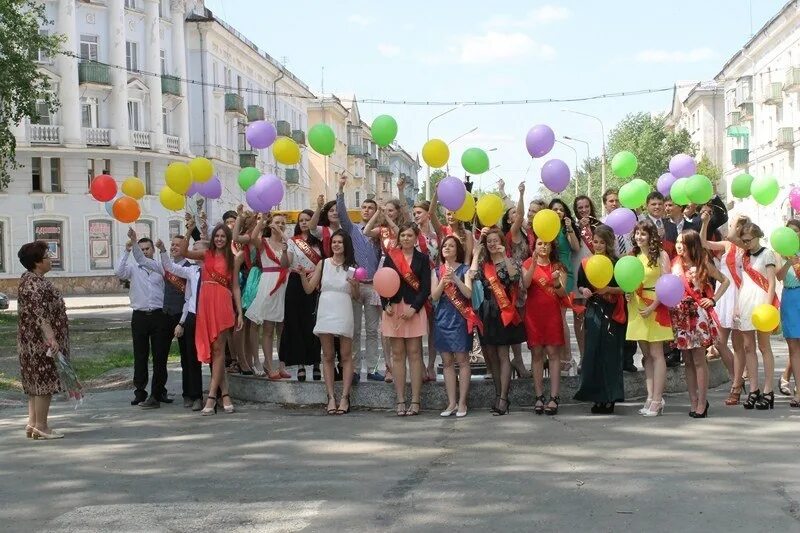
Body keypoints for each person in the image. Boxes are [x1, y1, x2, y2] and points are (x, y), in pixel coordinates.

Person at [182, 220, 244, 415]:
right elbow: (184, 253)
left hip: (223, 303)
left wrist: (240, 312)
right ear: (213, 238)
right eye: (216, 236)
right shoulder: (205, 254)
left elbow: (234, 286)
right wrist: (189, 230)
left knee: (218, 350)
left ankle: (210, 396)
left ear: (227, 239)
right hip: (206, 303)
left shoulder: (232, 259)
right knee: (213, 350)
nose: (219, 239)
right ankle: (225, 394)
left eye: (222, 236)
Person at [671, 230, 729, 418]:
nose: (679, 245)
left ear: (692, 244)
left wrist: (713, 300)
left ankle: (703, 402)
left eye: (683, 242)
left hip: (697, 316)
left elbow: (725, 281)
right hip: (680, 315)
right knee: (686, 361)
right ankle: (693, 400)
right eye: (678, 242)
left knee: (698, 359)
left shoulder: (702, 264)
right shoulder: (675, 265)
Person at [301, 229, 360, 415]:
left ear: (346, 245)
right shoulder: (323, 263)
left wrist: (356, 287)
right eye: (334, 242)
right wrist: (303, 275)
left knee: (345, 355)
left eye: (340, 242)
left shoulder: (352, 267)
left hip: (344, 308)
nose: (336, 245)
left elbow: (357, 297)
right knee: (327, 355)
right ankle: (331, 397)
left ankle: (345, 397)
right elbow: (310, 289)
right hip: (326, 308)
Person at [336, 175, 387, 384]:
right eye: (364, 207)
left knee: (373, 330)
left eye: (370, 208)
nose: (366, 210)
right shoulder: (352, 229)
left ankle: (373, 368)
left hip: (374, 286)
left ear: (375, 212)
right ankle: (355, 369)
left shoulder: (379, 234)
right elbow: (341, 214)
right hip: (355, 285)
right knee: (355, 329)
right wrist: (340, 188)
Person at [17, 241, 69, 439]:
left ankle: (33, 424)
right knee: (43, 383)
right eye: (47, 256)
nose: (51, 259)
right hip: (40, 343)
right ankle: (42, 426)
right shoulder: (34, 284)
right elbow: (40, 315)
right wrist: (52, 339)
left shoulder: (30, 279)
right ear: (37, 262)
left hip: (31, 341)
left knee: (35, 384)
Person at [573, 225, 626, 414]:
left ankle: (610, 397)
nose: (598, 245)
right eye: (595, 241)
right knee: (593, 352)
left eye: (602, 242)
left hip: (613, 310)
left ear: (608, 243)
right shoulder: (586, 262)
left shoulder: (617, 263)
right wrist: (583, 290)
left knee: (610, 354)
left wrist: (609, 290)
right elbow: (580, 284)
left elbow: (625, 288)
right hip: (593, 310)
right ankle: (596, 396)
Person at [473, 227, 526, 416]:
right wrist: (476, 253)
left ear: (502, 242)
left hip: (504, 310)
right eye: (489, 242)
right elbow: (471, 275)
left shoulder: (510, 261)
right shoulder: (483, 264)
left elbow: (514, 278)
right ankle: (497, 394)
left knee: (503, 354)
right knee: (491, 356)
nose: (493, 244)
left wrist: (504, 257)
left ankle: (503, 398)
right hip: (487, 310)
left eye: (496, 241)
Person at [381, 222, 431, 417]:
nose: (406, 238)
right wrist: (385, 303)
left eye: (410, 235)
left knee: (415, 354)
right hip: (393, 309)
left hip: (414, 310)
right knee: (397, 355)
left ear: (416, 237)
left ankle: (416, 400)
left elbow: (425, 288)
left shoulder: (422, 259)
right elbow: (382, 281)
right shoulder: (391, 257)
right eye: (403, 235)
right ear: (399, 237)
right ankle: (401, 399)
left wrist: (414, 308)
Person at [115, 230, 168, 407]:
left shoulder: (160, 267)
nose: (144, 251)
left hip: (158, 315)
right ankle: (140, 391)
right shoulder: (133, 268)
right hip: (140, 316)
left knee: (160, 356)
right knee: (140, 355)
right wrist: (127, 250)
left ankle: (159, 392)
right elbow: (119, 272)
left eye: (147, 249)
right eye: (142, 249)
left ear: (153, 250)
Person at [626, 220, 673, 417]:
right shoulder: (633, 256)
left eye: (643, 234)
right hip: (637, 305)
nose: (639, 237)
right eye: (637, 233)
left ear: (651, 236)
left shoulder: (661, 255)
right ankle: (650, 396)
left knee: (656, 353)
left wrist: (654, 305)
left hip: (656, 305)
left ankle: (657, 398)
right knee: (646, 355)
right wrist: (628, 294)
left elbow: (668, 283)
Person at [700, 212, 749, 404]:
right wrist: (704, 223)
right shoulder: (727, 245)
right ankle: (735, 375)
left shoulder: (745, 248)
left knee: (739, 346)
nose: (728, 228)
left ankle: (736, 384)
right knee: (719, 342)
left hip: (739, 295)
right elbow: (703, 242)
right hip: (724, 294)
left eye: (732, 225)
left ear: (738, 229)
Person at [157, 238, 205, 411]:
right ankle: (196, 396)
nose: (193, 251)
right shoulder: (191, 270)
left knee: (215, 358)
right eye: (193, 248)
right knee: (192, 359)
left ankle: (219, 395)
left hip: (210, 316)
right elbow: (170, 267)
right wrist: (163, 250)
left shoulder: (216, 268)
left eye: (197, 248)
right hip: (193, 317)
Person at [431, 235, 477, 418]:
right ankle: (451, 402)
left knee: (462, 360)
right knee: (447, 362)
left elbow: (468, 293)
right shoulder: (435, 271)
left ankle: (463, 402)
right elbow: (434, 296)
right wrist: (444, 279)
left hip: (459, 318)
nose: (447, 248)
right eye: (445, 246)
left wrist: (455, 279)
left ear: (457, 249)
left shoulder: (465, 269)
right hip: (442, 318)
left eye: (451, 246)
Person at [736, 222, 778, 410]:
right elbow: (742, 283)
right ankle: (754, 389)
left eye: (748, 240)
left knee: (764, 346)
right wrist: (737, 305)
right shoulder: (743, 256)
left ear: (757, 236)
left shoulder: (767, 254)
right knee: (748, 347)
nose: (745, 244)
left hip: (762, 303)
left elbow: (771, 283)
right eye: (743, 240)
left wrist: (768, 307)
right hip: (746, 302)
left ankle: (768, 390)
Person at [523, 238, 567, 415]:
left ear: (551, 247)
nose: (543, 247)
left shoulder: (558, 266)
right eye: (540, 243)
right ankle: (539, 396)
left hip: (552, 314)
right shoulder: (527, 263)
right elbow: (525, 284)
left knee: (554, 353)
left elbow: (563, 293)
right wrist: (533, 263)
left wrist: (556, 281)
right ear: (534, 246)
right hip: (533, 315)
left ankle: (554, 397)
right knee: (536, 354)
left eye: (546, 244)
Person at [278, 209, 322, 381]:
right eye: (301, 220)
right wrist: (283, 251)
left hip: (315, 280)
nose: (304, 222)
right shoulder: (292, 241)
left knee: (315, 323)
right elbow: (285, 264)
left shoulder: (319, 240)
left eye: (307, 219)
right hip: (296, 282)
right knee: (296, 323)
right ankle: (301, 364)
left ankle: (316, 363)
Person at [245, 213, 290, 380]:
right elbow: (253, 236)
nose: (280, 226)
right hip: (269, 283)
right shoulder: (264, 243)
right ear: (271, 225)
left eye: (283, 223)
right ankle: (269, 364)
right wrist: (262, 221)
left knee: (282, 328)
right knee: (269, 327)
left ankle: (282, 365)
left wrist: (285, 245)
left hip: (283, 284)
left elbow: (287, 263)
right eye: (277, 223)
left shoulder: (286, 243)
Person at [500, 183, 533, 380]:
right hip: (513, 282)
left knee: (527, 322)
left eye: (516, 212)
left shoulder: (529, 235)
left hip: (528, 281)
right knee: (516, 322)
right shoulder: (509, 236)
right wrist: (520, 194)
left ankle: (525, 359)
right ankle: (518, 360)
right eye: (512, 213)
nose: (517, 214)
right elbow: (520, 215)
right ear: (509, 219)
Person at [603, 188, 637, 374]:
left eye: (616, 200)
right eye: (610, 201)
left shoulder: (631, 222)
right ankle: (614, 358)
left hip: (630, 271)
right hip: (611, 271)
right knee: (615, 317)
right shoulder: (603, 225)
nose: (614, 203)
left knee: (629, 315)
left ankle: (628, 358)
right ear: (605, 204)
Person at [548, 198, 580, 375]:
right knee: (551, 318)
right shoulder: (546, 227)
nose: (558, 212)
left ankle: (567, 358)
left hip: (564, 273)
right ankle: (556, 358)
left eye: (561, 209)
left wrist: (569, 228)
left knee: (560, 317)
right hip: (548, 273)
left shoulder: (566, 229)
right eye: (554, 209)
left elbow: (575, 247)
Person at [412, 199, 440, 383]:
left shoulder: (437, 235)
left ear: (427, 214)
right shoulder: (411, 235)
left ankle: (431, 364)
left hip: (434, 281)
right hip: (415, 283)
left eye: (419, 213)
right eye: (414, 213)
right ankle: (419, 365)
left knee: (432, 328)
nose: (416, 216)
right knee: (416, 327)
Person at [571, 195, 601, 365]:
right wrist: (577, 229)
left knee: (596, 316)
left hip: (597, 274)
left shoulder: (599, 225)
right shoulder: (573, 227)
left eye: (586, 207)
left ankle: (595, 354)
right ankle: (583, 356)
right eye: (580, 207)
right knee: (579, 316)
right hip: (578, 273)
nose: (583, 210)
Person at [777, 220, 800, 408]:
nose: (793, 235)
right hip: (790, 297)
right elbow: (779, 276)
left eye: (796, 232)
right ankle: (798, 390)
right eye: (790, 231)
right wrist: (789, 263)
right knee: (794, 347)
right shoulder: (781, 252)